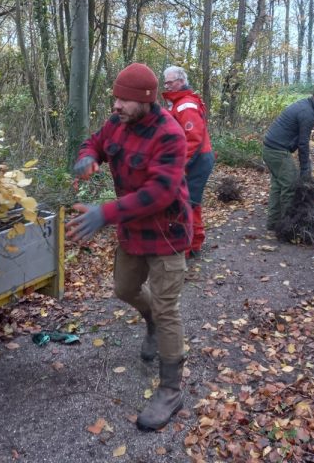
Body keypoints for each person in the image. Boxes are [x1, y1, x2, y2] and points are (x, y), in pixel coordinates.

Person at [66, 63, 192, 431]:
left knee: (168, 308)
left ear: (146, 100)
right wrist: (88, 156)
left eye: (124, 99)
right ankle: (149, 319)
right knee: (124, 289)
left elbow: (160, 192)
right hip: (131, 229)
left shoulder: (170, 134)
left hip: (165, 233)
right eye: (116, 97)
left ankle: (171, 389)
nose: (117, 105)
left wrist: (104, 213)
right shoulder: (116, 122)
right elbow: (95, 140)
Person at [262, 85, 314, 231]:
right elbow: (303, 144)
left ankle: (273, 223)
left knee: (278, 186)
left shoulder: (306, 107)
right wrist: (305, 171)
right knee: (290, 186)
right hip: (277, 151)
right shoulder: (307, 113)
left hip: (270, 148)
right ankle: (289, 226)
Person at [162, 66, 214, 258]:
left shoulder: (186, 105)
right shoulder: (177, 103)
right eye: (165, 82)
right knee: (192, 201)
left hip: (196, 160)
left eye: (170, 82)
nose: (167, 85)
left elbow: (192, 139)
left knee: (186, 203)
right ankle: (194, 243)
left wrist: (181, 165)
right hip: (195, 159)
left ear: (181, 81)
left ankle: (186, 248)